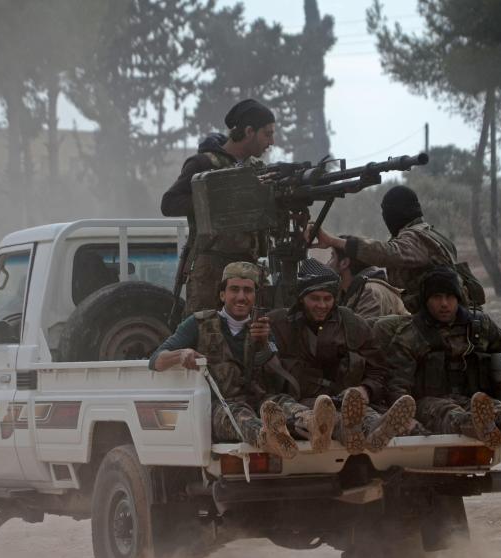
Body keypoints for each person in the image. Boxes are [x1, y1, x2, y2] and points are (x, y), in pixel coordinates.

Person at [149, 261, 315, 459]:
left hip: (260, 401)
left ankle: (313, 423)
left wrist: (264, 343)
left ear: (255, 296)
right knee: (239, 415)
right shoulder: (198, 323)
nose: (241, 297)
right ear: (222, 295)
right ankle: (268, 438)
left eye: (248, 291)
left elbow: (277, 375)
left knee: (283, 402)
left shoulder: (262, 326)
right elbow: (155, 360)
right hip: (222, 407)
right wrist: (182, 354)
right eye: (234, 290)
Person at [375, 266, 501, 449]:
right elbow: (397, 386)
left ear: (459, 298)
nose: (444, 304)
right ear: (426, 301)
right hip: (428, 403)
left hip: (473, 399)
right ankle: (478, 427)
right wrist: (406, 418)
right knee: (449, 413)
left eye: (450, 297)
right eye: (437, 297)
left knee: (496, 409)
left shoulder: (478, 326)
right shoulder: (411, 335)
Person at [267, 258, 416, 454]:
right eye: (315, 298)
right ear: (301, 297)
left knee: (363, 413)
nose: (322, 305)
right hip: (303, 400)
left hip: (346, 398)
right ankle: (349, 435)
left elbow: (379, 369)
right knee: (327, 418)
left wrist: (366, 390)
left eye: (327, 299)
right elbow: (264, 372)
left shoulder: (352, 324)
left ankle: (377, 430)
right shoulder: (279, 323)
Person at [161, 98, 276, 314]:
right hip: (211, 271)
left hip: (248, 266)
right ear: (249, 131)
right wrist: (221, 201)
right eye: (267, 134)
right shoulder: (204, 164)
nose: (271, 141)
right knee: (204, 334)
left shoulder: (258, 170)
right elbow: (169, 203)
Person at [309, 185, 483, 312]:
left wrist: (334, 241)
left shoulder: (417, 237)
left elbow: (387, 253)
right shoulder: (430, 235)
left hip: (441, 319)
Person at [326, 241, 407, 320]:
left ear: (344, 263)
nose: (327, 263)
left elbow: (361, 332)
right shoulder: (349, 292)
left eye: (332, 257)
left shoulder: (370, 292)